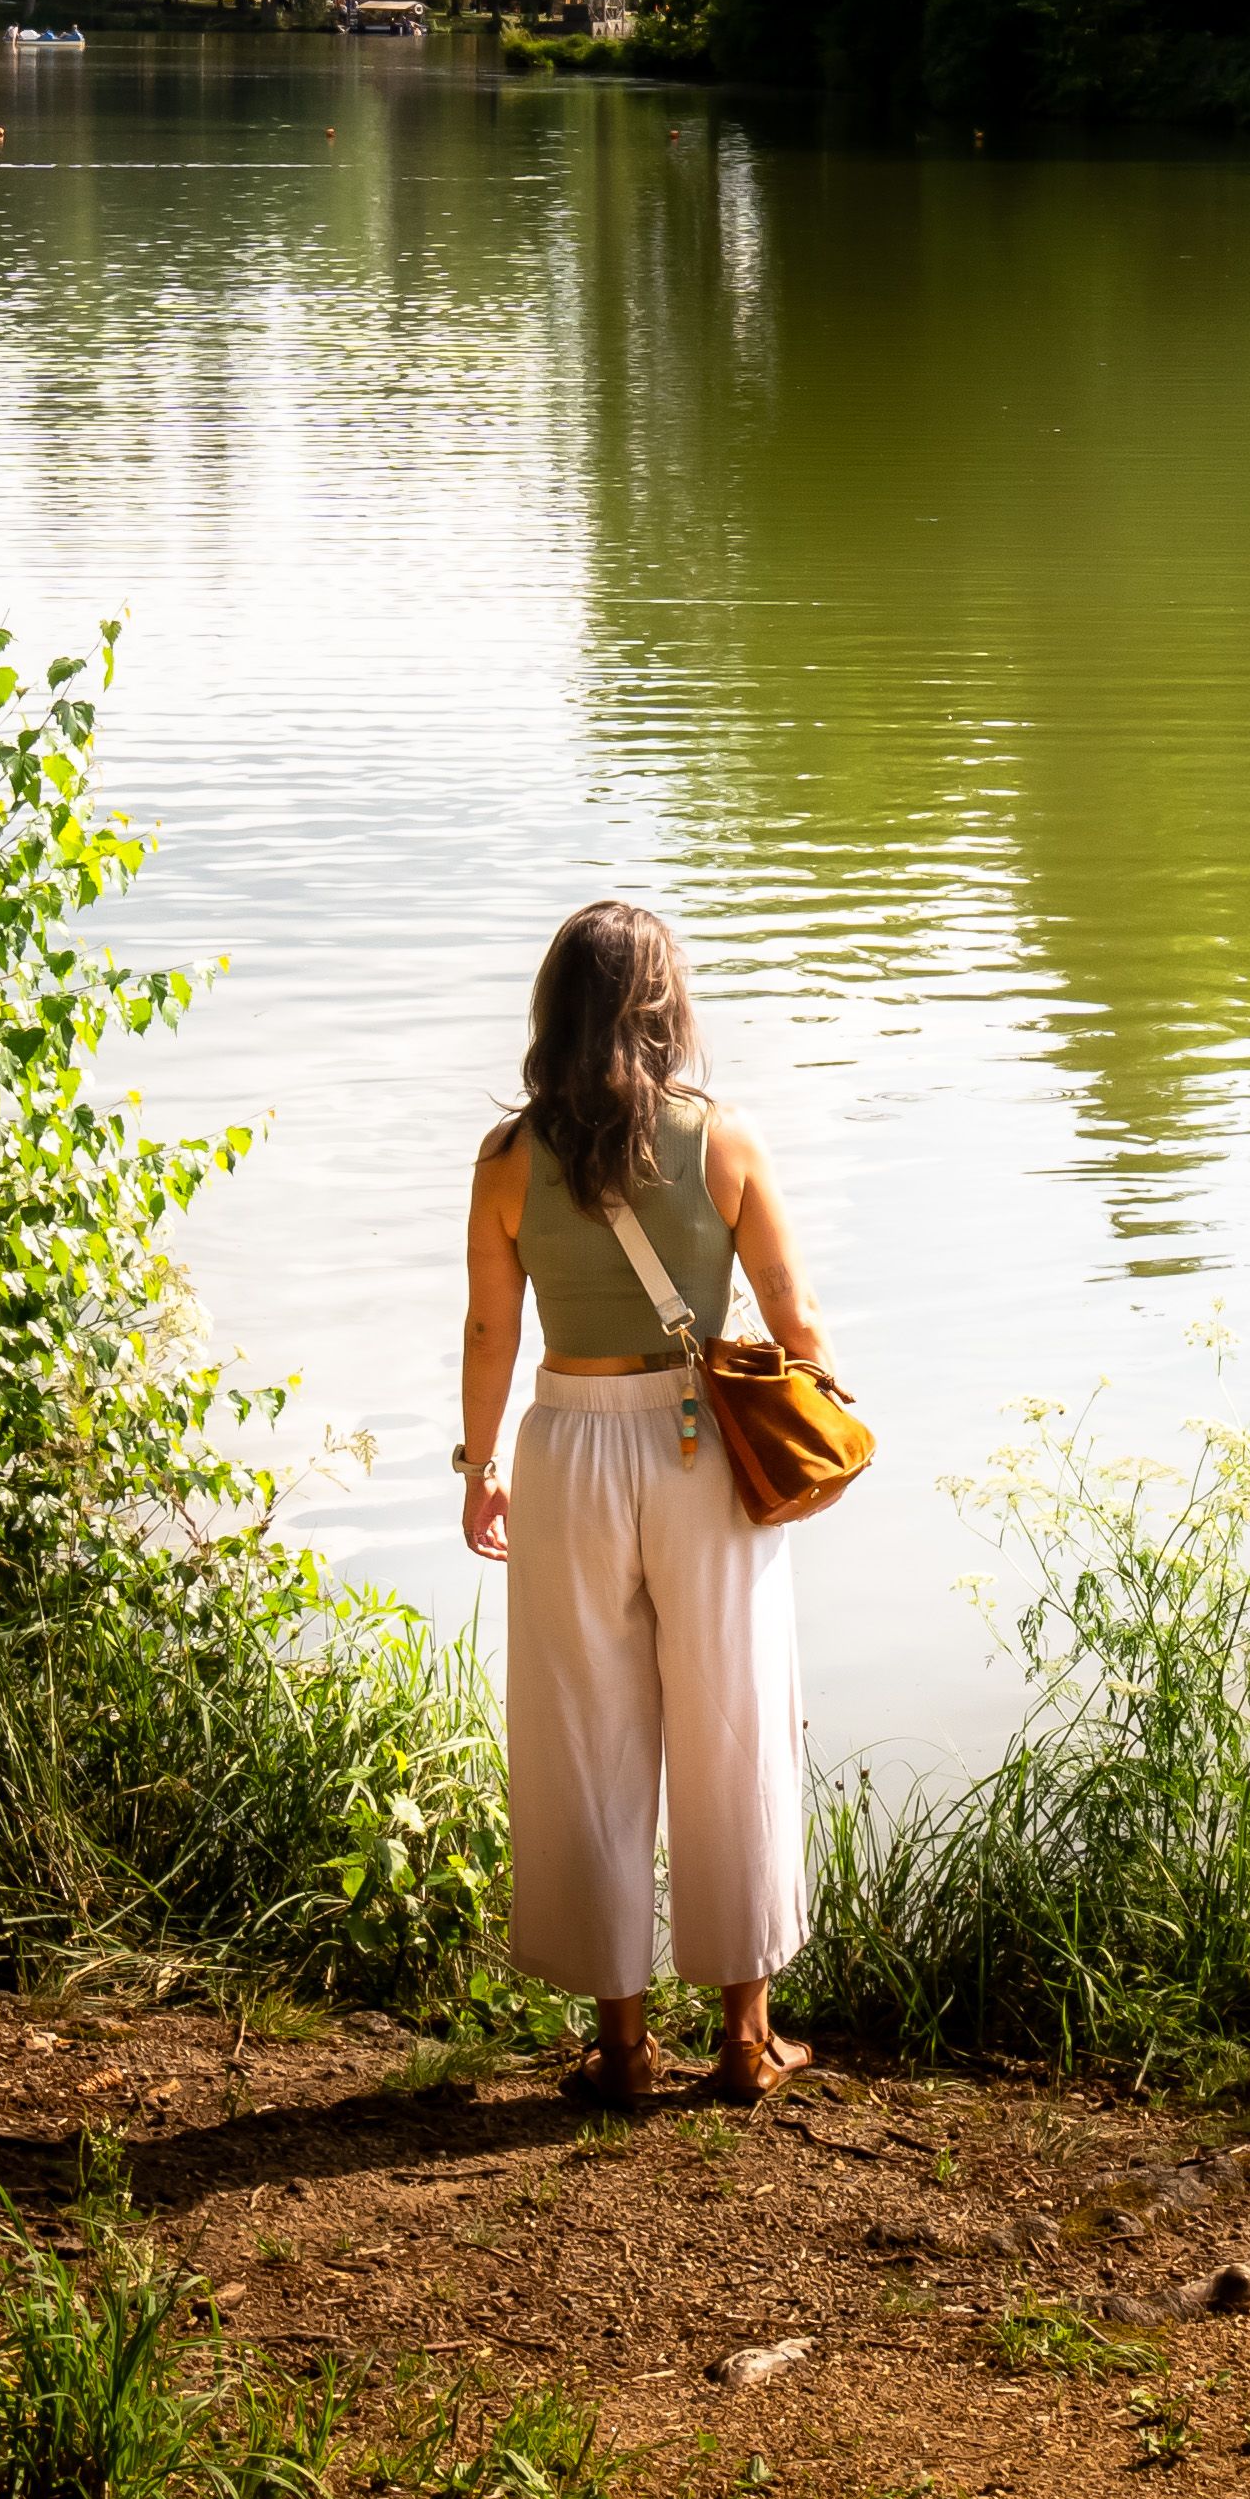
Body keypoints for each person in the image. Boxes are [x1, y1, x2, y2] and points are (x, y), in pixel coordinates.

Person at [457, 895, 821, 2105]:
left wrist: (480, 1467)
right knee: (733, 1718)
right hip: (700, 1445)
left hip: (567, 1442)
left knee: (585, 1731)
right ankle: (744, 2042)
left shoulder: (506, 1162)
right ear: (666, 1010)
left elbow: (490, 1333)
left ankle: (619, 2048)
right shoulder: (724, 1142)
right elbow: (796, 1320)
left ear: (554, 1009)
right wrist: (814, 1431)